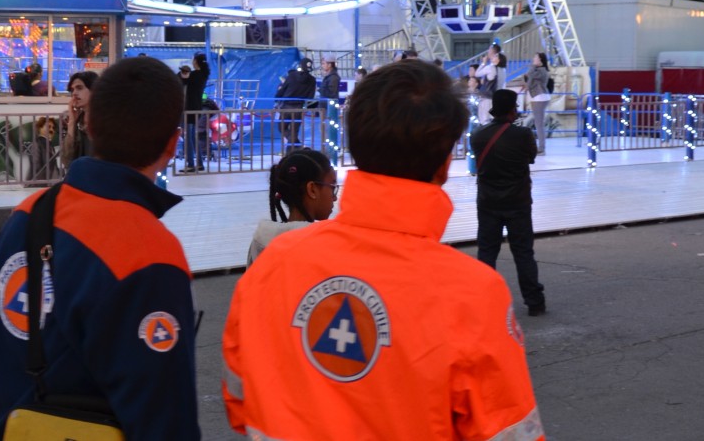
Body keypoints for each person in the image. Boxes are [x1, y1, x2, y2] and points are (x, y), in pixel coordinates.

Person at [223, 61, 543, 440]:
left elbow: (239, 400)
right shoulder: (474, 294)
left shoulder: (273, 262)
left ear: (355, 146)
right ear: (444, 164)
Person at [0, 56, 199, 440]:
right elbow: (163, 417)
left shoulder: (27, 217)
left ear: (90, 124)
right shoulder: (147, 252)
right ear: (172, 143)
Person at [471, 89, 546, 316]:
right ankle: (534, 302)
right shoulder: (523, 135)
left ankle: (484, 302)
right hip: (518, 201)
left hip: (487, 202)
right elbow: (530, 157)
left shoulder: (478, 135)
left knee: (486, 253)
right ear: (513, 109)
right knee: (523, 253)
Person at [246, 149, 337, 266]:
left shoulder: (259, 241)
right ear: (312, 189)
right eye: (332, 187)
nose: (334, 198)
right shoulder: (323, 245)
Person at [275, 58, 316, 147]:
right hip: (299, 108)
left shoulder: (291, 76)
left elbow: (283, 89)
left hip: (286, 107)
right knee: (294, 131)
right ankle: (296, 146)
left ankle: (294, 146)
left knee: (282, 128)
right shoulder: (312, 80)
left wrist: (276, 99)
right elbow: (310, 97)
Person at [180, 53, 211, 172]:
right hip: (197, 107)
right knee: (192, 136)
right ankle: (199, 163)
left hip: (189, 108)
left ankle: (190, 164)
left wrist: (183, 74)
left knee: (188, 136)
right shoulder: (203, 75)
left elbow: (183, 80)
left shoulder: (194, 75)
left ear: (196, 62)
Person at [61, 70, 97, 168]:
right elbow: (66, 160)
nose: (74, 93)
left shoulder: (106, 119)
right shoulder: (78, 121)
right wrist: (72, 122)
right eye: (72, 90)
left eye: (79, 88)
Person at [523, 52, 552, 155]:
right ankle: (541, 147)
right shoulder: (537, 70)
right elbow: (529, 81)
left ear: (540, 60)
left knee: (539, 124)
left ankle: (542, 148)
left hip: (540, 97)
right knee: (538, 123)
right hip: (537, 97)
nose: (533, 59)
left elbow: (530, 75)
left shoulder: (542, 71)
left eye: (535, 58)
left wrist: (531, 67)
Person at [27, 116, 59, 184]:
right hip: (39, 185)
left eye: (53, 128)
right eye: (48, 127)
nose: (52, 130)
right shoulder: (37, 144)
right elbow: (36, 167)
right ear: (40, 128)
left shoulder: (49, 145)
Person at [476, 45, 502, 124]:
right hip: (491, 97)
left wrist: (483, 63)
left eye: (489, 50)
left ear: (493, 53)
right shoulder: (499, 68)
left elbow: (477, 74)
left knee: (484, 120)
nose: (487, 52)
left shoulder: (490, 67)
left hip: (486, 97)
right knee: (487, 120)